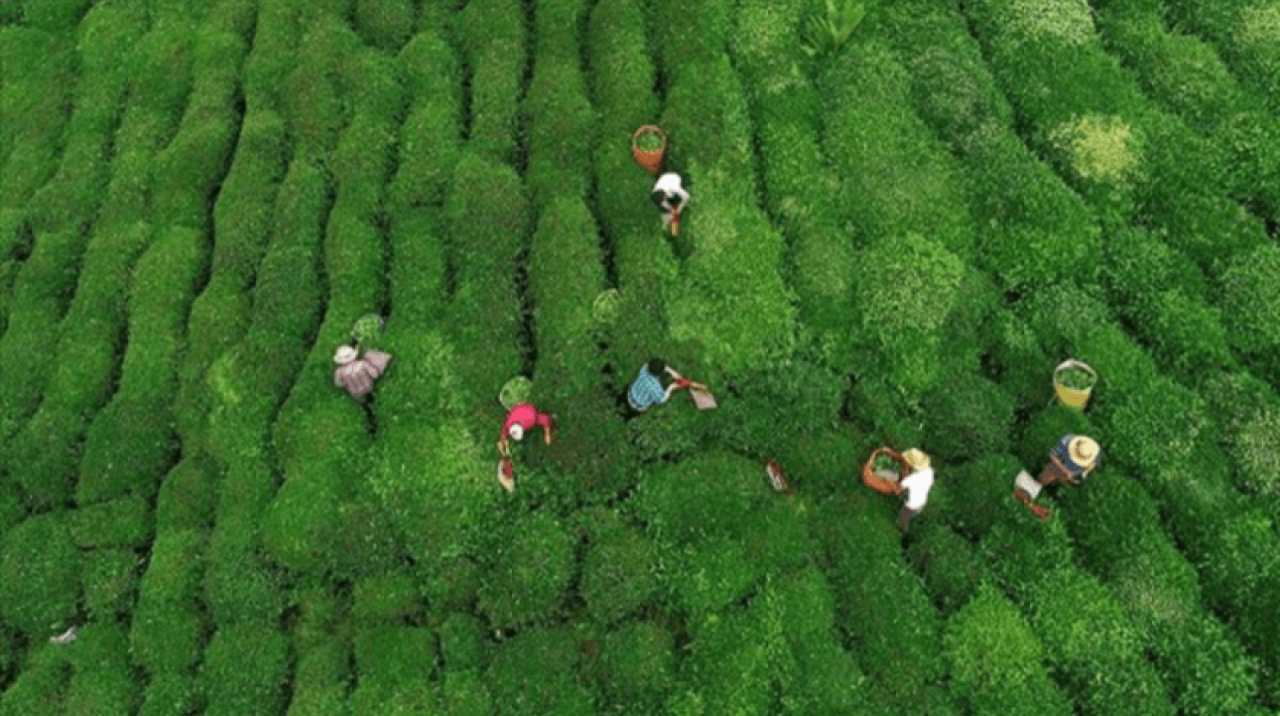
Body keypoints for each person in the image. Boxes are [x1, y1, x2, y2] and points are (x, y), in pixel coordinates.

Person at [496, 402, 555, 491]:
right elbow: (505, 431)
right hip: (518, 410)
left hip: (529, 409)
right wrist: (502, 440)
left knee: (547, 419)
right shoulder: (509, 423)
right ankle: (518, 407)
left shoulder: (531, 419)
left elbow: (545, 419)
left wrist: (547, 434)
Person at [626, 358, 701, 414]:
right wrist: (671, 387)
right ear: (660, 373)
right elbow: (661, 399)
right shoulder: (655, 387)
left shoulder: (645, 368)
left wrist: (674, 374)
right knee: (654, 396)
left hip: (631, 393)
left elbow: (662, 367)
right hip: (639, 405)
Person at [894, 448, 934, 533]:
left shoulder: (911, 479)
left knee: (903, 517)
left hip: (912, 505)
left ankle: (901, 529)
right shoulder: (930, 471)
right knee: (911, 512)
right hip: (922, 501)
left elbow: (898, 489)